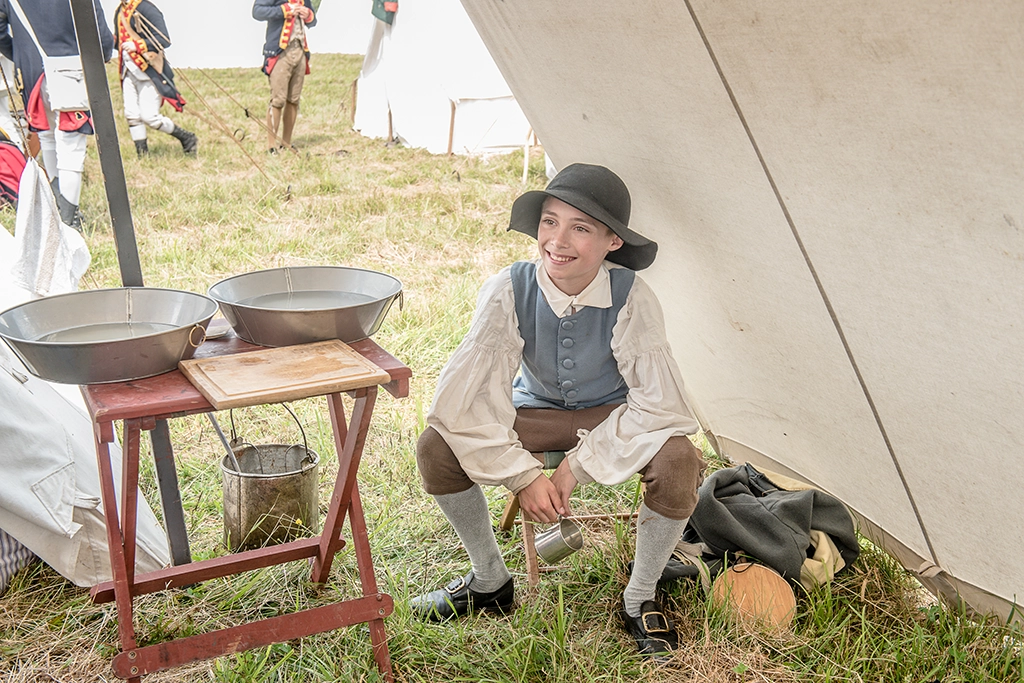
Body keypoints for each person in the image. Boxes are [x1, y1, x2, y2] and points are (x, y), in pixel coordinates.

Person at [412, 163, 707, 658]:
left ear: (613, 241)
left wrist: (577, 464)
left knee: (680, 460)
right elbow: (464, 398)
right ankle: (489, 580)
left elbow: (657, 404)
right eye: (550, 221)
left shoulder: (633, 297)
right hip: (536, 413)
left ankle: (640, 596)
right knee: (435, 447)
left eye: (581, 227)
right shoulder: (509, 287)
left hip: (612, 416)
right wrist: (522, 476)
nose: (557, 240)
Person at [0, 0, 114, 231]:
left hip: (31, 70)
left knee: (48, 138)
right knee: (71, 144)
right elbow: (100, 34)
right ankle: (69, 220)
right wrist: (103, 53)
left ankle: (60, 209)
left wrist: (22, 55)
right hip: (70, 65)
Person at [114, 0, 196, 158]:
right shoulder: (120, 11)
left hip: (148, 70)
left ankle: (186, 137)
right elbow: (119, 41)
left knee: (149, 116)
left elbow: (164, 39)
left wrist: (139, 45)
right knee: (131, 114)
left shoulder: (146, 8)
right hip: (128, 71)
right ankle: (143, 156)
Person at [252, 0, 316, 153]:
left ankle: (286, 142)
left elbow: (312, 20)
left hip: (300, 50)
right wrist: (284, 10)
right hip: (280, 52)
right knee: (278, 100)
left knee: (293, 99)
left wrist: (308, 15)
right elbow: (257, 11)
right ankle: (271, 145)